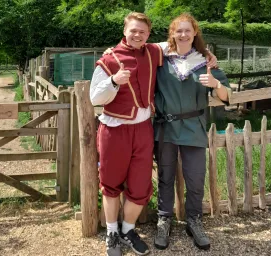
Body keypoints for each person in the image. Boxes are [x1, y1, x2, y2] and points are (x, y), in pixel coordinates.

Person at [153, 13, 232, 251]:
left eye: (188, 30)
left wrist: (216, 85)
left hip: (194, 128)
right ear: (172, 34)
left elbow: (227, 96)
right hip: (166, 127)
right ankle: (164, 219)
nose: (184, 34)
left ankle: (194, 220)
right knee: (165, 177)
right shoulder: (160, 59)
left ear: (194, 32)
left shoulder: (205, 61)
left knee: (195, 178)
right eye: (179, 31)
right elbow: (135, 46)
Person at [90, 12, 164, 256]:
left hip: (143, 129)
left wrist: (207, 55)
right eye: (133, 30)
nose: (137, 35)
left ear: (148, 34)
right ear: (125, 31)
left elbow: (181, 45)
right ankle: (112, 232)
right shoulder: (109, 59)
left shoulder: (154, 52)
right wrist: (113, 81)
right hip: (115, 129)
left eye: (142, 31)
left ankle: (128, 230)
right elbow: (94, 98)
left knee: (140, 185)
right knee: (111, 184)